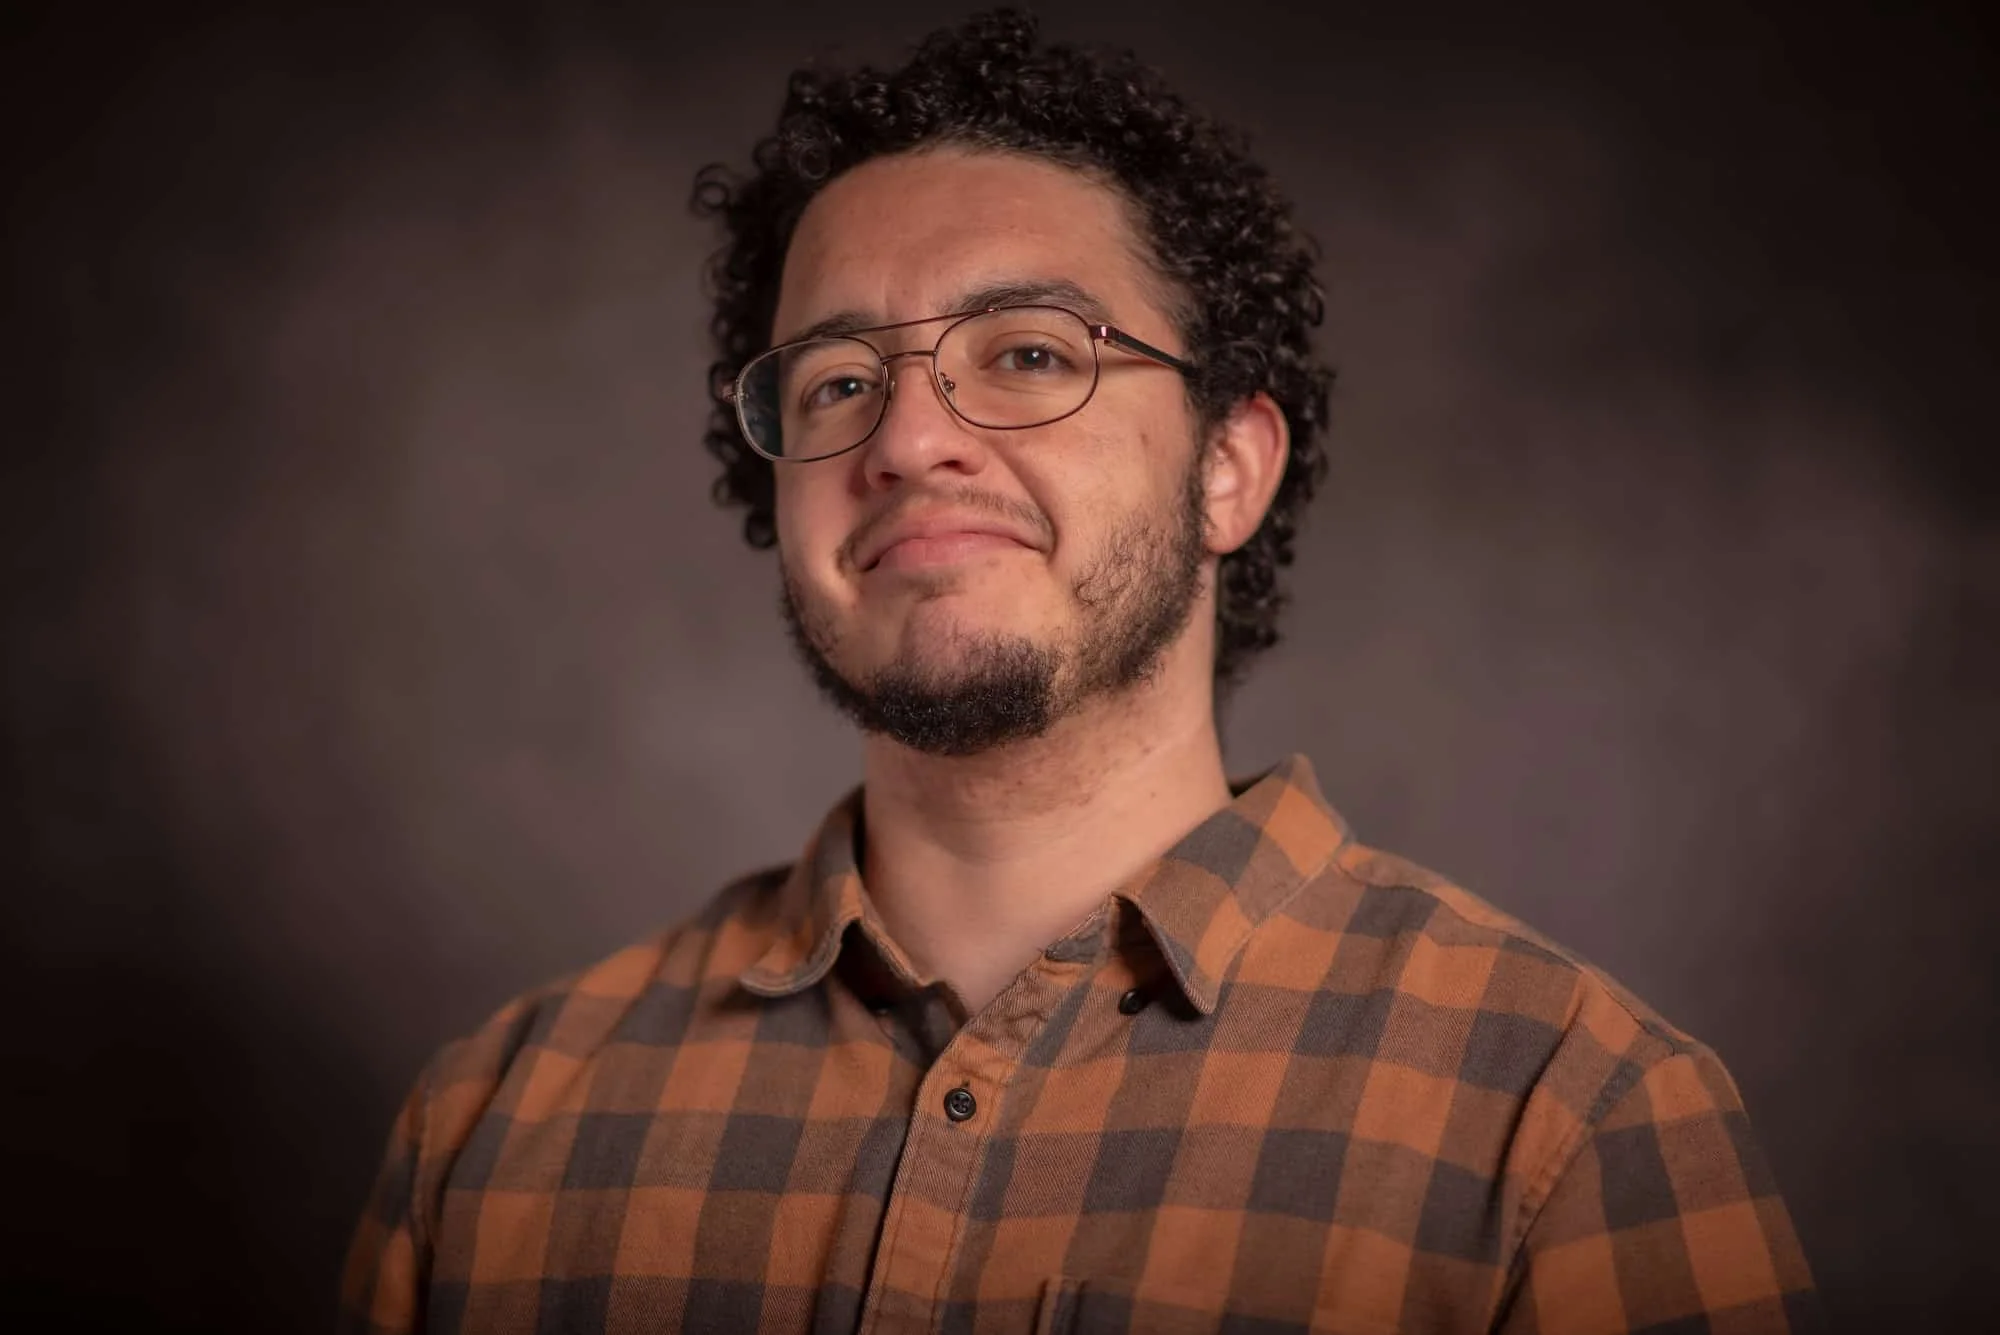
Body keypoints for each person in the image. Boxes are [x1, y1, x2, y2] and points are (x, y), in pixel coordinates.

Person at [339, 11, 1816, 1333]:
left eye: (1032, 354)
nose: (910, 439)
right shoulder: (495, 1128)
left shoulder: (1570, 1130)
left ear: (1228, 469)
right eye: (841, 382)